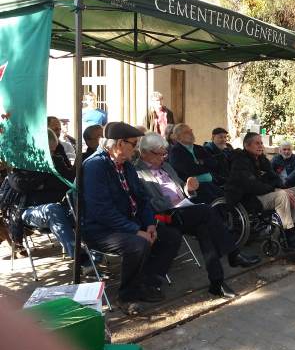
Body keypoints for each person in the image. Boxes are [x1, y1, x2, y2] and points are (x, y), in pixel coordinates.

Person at [135, 133, 261, 298]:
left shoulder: (166, 166)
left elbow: (181, 187)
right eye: (160, 154)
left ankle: (217, 283)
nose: (163, 157)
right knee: (207, 211)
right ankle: (233, 254)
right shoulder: (138, 172)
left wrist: (188, 188)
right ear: (145, 152)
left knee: (205, 229)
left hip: (183, 210)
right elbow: (149, 203)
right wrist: (173, 201)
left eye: (165, 153)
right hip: (163, 216)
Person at [82, 122, 182, 315]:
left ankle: (147, 283)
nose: (136, 149)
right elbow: (102, 211)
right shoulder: (95, 166)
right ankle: (126, 296)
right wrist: (136, 230)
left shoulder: (126, 165)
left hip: (128, 223)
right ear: (120, 143)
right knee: (138, 244)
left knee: (170, 236)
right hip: (100, 229)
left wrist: (149, 224)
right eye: (134, 144)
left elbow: (142, 199)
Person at [225, 132, 295, 250]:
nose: (260, 146)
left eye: (261, 143)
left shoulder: (262, 159)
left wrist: (282, 187)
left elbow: (275, 177)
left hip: (265, 193)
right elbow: (253, 186)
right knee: (282, 195)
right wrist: (275, 188)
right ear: (247, 145)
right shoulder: (240, 161)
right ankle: (289, 236)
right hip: (250, 198)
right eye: (257, 143)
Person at [6, 129, 77, 262]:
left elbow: (67, 184)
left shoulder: (56, 160)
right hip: (28, 211)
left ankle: (96, 252)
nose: (52, 154)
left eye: (53, 150)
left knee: (83, 202)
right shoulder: (20, 163)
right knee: (53, 210)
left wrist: (42, 184)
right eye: (49, 150)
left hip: (61, 206)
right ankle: (81, 258)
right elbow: (20, 185)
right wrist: (46, 173)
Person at [168, 123, 222, 204]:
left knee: (228, 193)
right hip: (195, 188)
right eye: (187, 132)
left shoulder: (199, 148)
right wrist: (205, 166)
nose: (191, 133)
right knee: (216, 200)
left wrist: (202, 162)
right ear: (179, 137)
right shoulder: (175, 152)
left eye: (191, 131)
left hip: (212, 182)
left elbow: (214, 163)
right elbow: (188, 170)